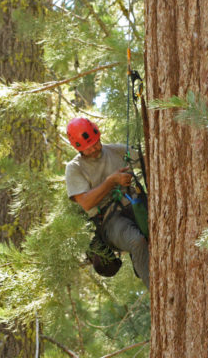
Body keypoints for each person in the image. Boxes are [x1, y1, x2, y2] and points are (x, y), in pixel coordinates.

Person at [64, 117, 150, 288]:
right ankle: (156, 289)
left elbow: (147, 161)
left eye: (97, 142)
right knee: (136, 241)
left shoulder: (116, 151)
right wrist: (112, 181)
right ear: (79, 148)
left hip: (135, 204)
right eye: (90, 147)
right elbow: (87, 202)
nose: (96, 148)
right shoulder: (75, 168)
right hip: (110, 220)